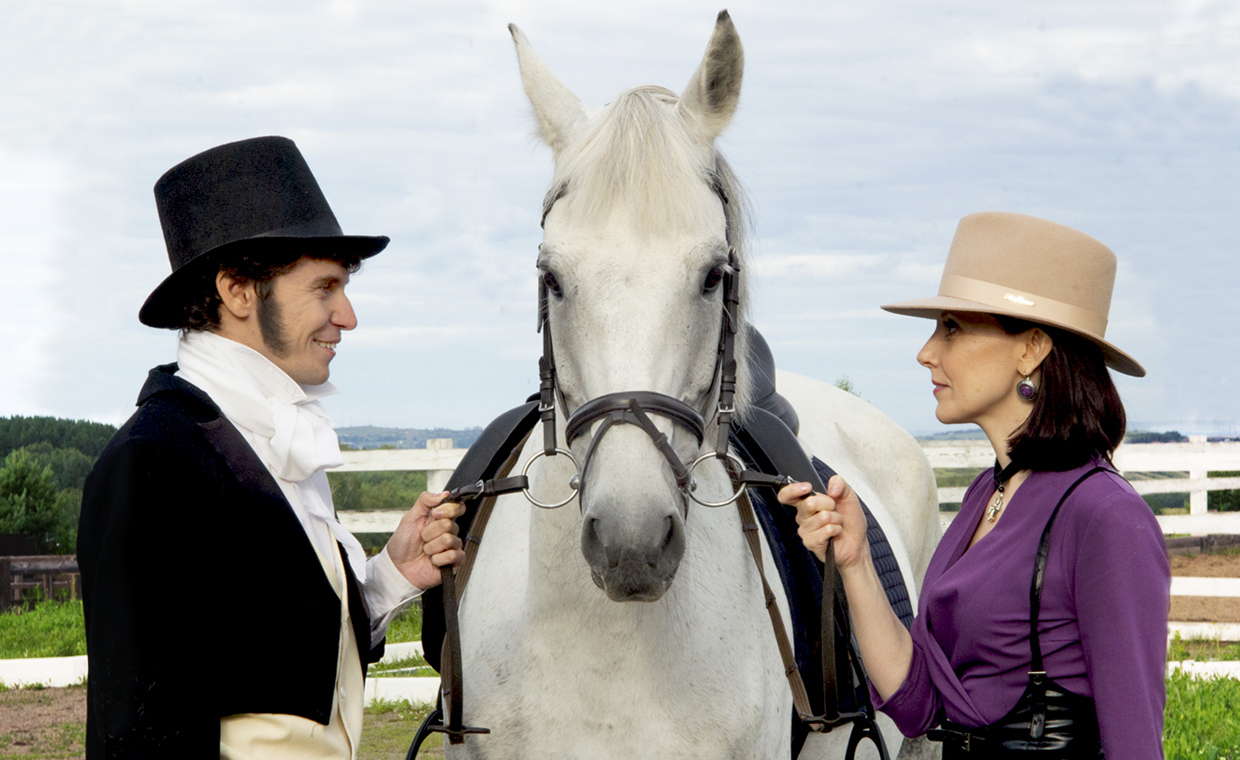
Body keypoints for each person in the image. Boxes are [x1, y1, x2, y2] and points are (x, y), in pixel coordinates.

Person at [78, 136, 465, 760]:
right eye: (324, 288)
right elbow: (135, 732)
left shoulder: (278, 435)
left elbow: (277, 662)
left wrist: (391, 576)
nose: (348, 315)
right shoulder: (151, 462)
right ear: (238, 291)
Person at [779, 211, 1169, 758]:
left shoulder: (1104, 514)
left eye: (952, 328)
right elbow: (918, 706)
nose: (926, 352)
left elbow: (1135, 740)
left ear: (1031, 348)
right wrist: (855, 559)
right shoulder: (986, 496)